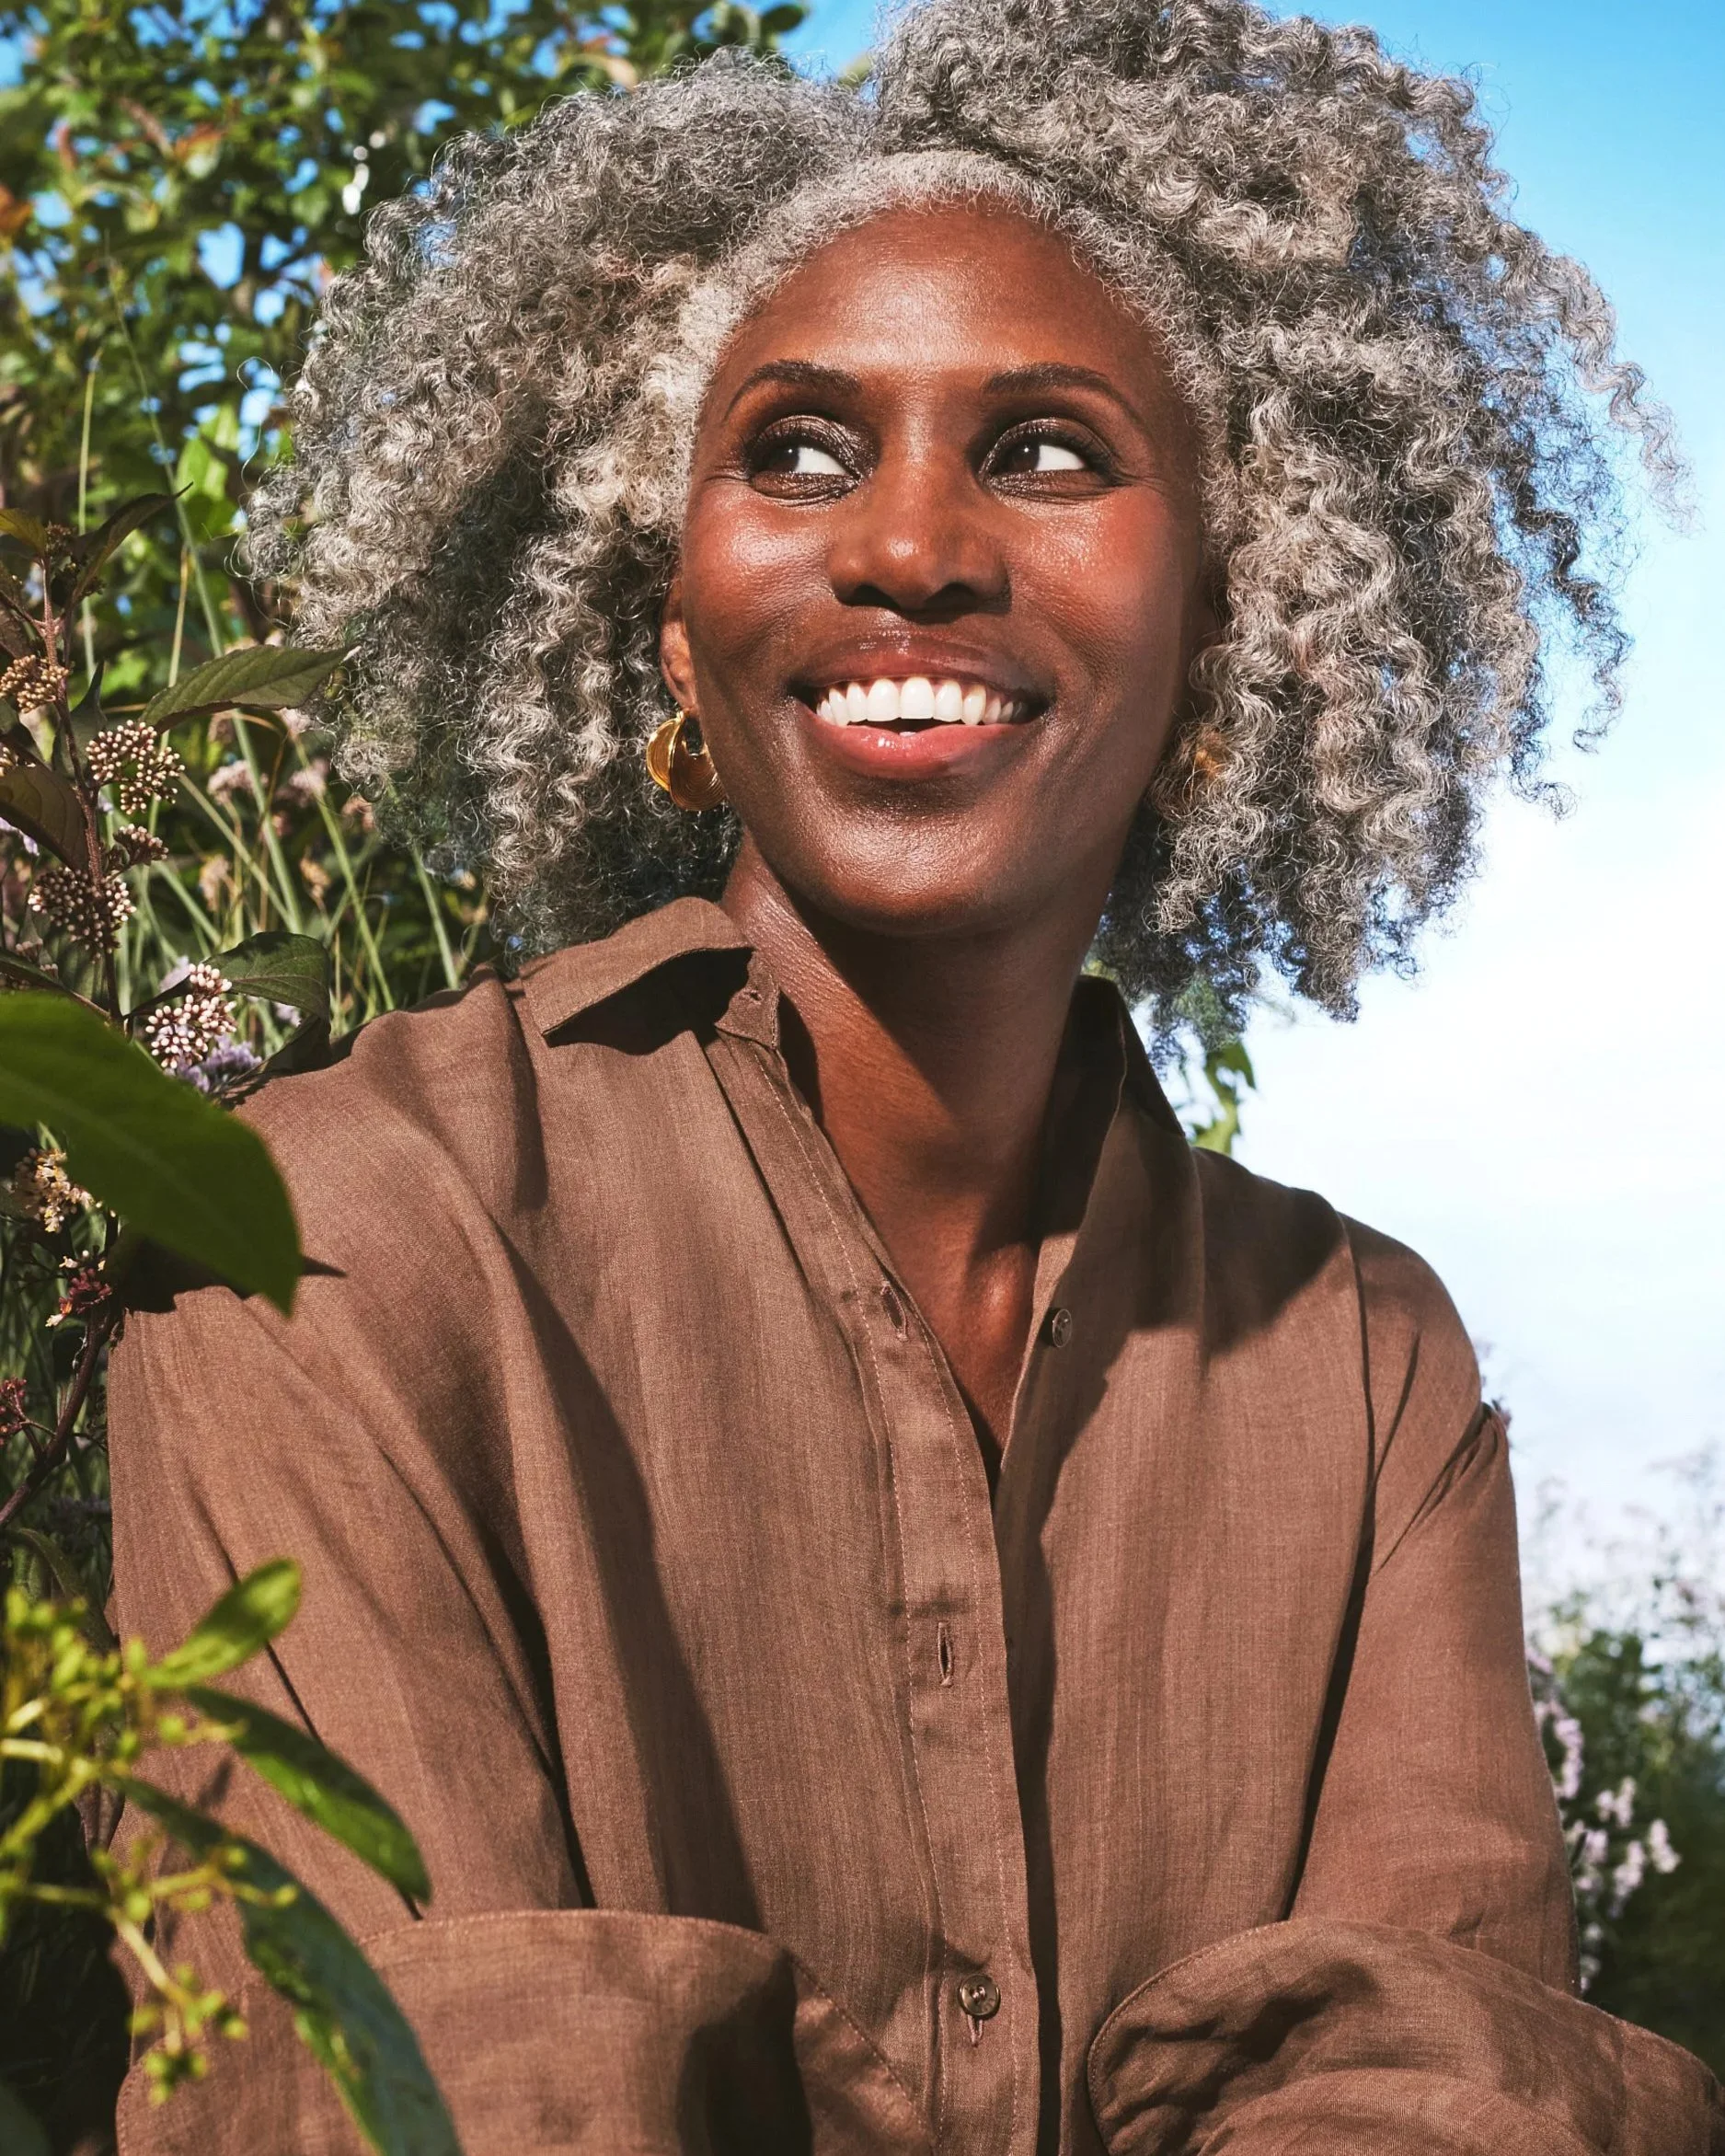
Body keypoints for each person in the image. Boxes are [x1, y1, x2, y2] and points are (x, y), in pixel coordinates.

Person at [109, 0, 1723, 2149]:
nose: (907, 545)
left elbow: (1432, 2095)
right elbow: (381, 2093)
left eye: (1045, 449)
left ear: (1229, 637)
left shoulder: (1368, 1380)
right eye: (793, 447)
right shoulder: (323, 1242)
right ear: (672, 631)